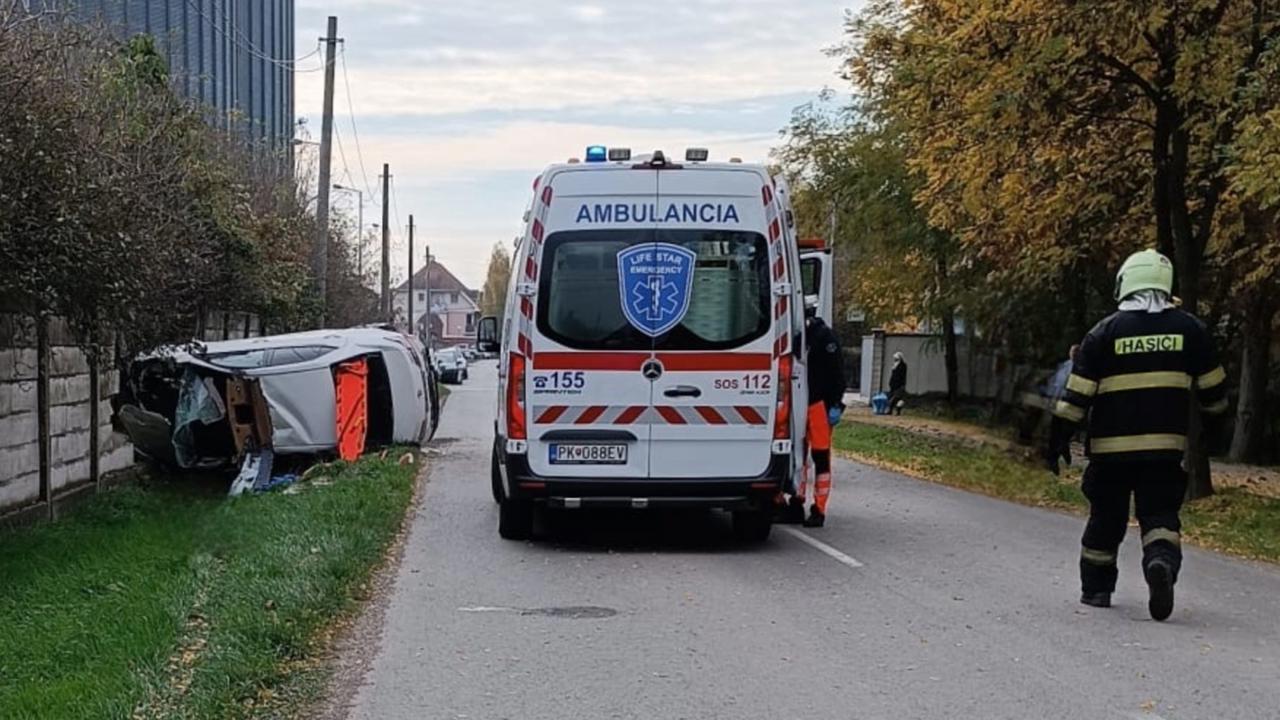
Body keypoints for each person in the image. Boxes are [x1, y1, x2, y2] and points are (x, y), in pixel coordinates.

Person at [1048, 249, 1228, 621]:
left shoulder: (1103, 333)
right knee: (1160, 515)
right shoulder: (1190, 330)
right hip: (1164, 450)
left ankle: (1096, 589)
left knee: (1105, 518)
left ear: (1125, 283)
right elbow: (1214, 392)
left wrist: (1058, 438)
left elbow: (1075, 397)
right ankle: (1159, 563)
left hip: (1110, 453)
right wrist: (1215, 430)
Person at [778, 296, 846, 527]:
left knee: (819, 457)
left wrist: (835, 404)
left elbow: (837, 374)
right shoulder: (797, 337)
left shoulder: (825, 338)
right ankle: (796, 502)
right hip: (801, 401)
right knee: (798, 456)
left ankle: (819, 509)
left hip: (818, 404)